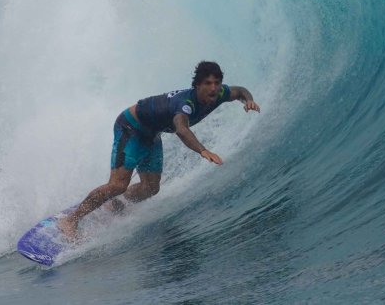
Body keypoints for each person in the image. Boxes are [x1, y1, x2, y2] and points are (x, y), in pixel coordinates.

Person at [58, 61, 260, 241]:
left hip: (152, 134)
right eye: (207, 83)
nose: (213, 88)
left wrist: (248, 100)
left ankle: (116, 205)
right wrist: (202, 150)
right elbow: (181, 128)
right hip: (131, 127)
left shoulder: (220, 94)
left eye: (216, 82)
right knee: (118, 184)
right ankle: (70, 220)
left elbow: (240, 91)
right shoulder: (185, 104)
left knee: (151, 188)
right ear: (197, 85)